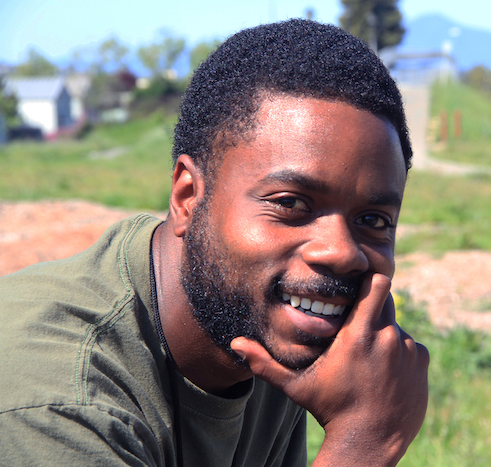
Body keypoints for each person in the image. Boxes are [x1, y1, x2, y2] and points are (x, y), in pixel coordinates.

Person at [0, 19, 429, 466]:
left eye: (373, 219)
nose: (340, 251)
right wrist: (362, 445)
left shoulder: (259, 328)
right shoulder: (58, 403)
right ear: (188, 198)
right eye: (290, 203)